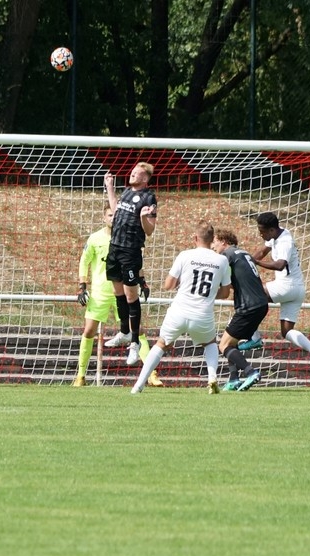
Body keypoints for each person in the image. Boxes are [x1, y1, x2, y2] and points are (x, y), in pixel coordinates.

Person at [131, 221, 230, 395]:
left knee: (161, 344)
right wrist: (210, 293)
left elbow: (168, 285)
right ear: (212, 239)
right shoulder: (222, 260)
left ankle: (138, 385)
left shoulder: (185, 255)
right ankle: (212, 377)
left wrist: (181, 283)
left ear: (195, 238)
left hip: (179, 311)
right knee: (209, 343)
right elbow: (225, 293)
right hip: (202, 314)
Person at [73, 205, 158, 387]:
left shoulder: (127, 238)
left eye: (116, 215)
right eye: (110, 215)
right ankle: (80, 376)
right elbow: (84, 261)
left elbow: (135, 262)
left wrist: (142, 282)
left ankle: (152, 374)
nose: (113, 218)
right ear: (104, 218)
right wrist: (82, 286)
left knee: (137, 330)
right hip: (100, 293)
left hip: (122, 291)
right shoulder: (95, 238)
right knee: (89, 330)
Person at [240, 212, 310, 372]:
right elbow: (262, 252)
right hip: (297, 290)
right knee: (286, 331)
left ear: (271, 230)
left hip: (287, 286)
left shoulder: (285, 241)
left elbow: (280, 265)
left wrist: (256, 262)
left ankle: (255, 338)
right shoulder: (276, 234)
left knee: (251, 295)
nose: (260, 234)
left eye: (262, 231)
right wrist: (247, 262)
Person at [103, 162, 158, 366]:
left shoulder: (148, 198)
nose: (132, 174)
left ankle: (134, 343)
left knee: (130, 296)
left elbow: (150, 230)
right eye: (132, 171)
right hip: (115, 247)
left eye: (136, 173)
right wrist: (110, 188)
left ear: (144, 178)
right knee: (117, 292)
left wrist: (143, 218)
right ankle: (124, 332)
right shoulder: (126, 192)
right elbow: (116, 211)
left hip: (130, 251)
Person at [212, 229, 269, 392]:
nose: (213, 246)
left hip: (248, 307)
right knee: (231, 341)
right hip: (261, 304)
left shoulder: (227, 255)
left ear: (224, 242)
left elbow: (220, 281)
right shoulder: (244, 254)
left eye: (215, 242)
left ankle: (251, 372)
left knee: (223, 345)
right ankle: (233, 379)